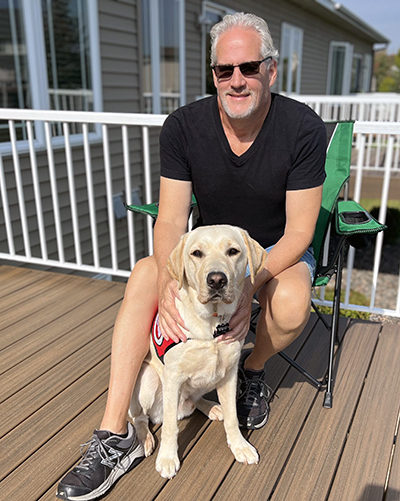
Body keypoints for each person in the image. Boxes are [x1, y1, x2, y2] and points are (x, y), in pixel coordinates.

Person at [56, 12, 326, 501]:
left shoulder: (302, 127)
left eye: (249, 67)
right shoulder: (183, 126)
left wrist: (249, 282)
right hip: (207, 257)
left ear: (271, 69)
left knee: (290, 301)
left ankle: (250, 370)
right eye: (225, 70)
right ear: (214, 75)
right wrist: (166, 283)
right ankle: (115, 433)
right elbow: (170, 220)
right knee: (143, 273)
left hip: (269, 254)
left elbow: (301, 231)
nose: (236, 80)